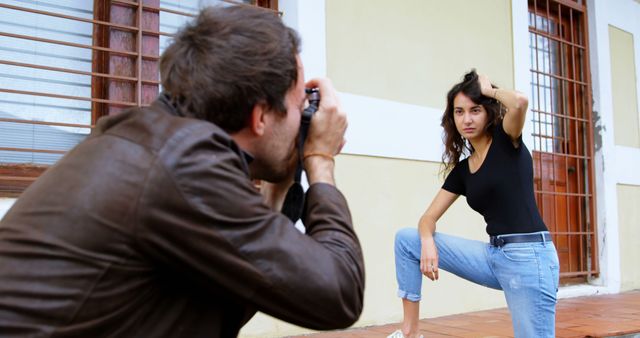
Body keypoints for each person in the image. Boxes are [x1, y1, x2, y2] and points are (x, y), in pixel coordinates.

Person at [0, 6, 364, 337]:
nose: (304, 119)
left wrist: (280, 187)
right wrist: (319, 159)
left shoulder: (149, 141)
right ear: (260, 116)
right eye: (299, 105)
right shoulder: (185, 162)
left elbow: (238, 291)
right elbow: (339, 294)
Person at [387, 70, 559, 338]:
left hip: (529, 257)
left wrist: (489, 90)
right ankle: (410, 332)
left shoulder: (506, 140)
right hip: (494, 256)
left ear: (488, 112)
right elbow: (427, 218)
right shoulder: (464, 171)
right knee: (407, 240)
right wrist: (426, 239)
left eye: (475, 110)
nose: (466, 119)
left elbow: (520, 103)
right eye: (459, 112)